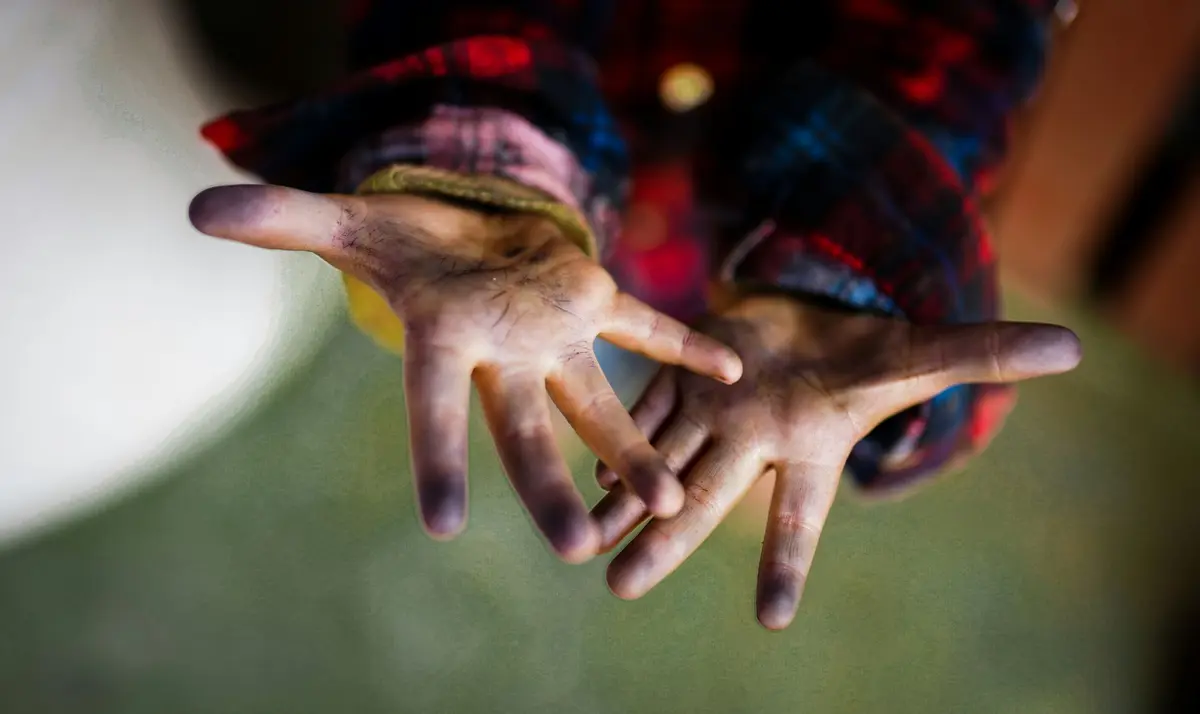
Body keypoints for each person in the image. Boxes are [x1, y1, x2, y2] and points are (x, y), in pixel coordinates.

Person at [189, 0, 1082, 629]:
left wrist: (834, 287)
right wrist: (487, 185)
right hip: (583, 237)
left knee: (741, 445)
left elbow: (953, 49)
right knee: (586, 384)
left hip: (759, 258)